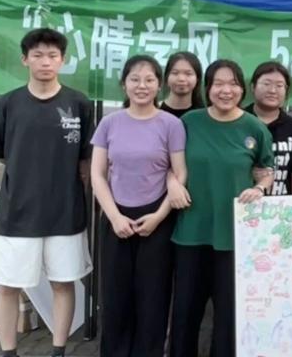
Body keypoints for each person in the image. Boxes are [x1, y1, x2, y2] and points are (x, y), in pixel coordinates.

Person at [0, 28, 94, 357]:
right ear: (25, 59)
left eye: (52, 56)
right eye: (38, 55)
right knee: (8, 285)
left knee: (63, 282)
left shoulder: (79, 103)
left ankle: (59, 349)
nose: (45, 62)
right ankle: (8, 352)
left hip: (65, 213)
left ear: (63, 60)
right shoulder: (7, 104)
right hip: (16, 214)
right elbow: (2, 154)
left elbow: (86, 160)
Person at [169, 59, 274, 357]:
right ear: (208, 88)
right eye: (218, 84)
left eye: (233, 84)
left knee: (228, 314)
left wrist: (259, 188)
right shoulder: (189, 122)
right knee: (185, 311)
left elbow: (266, 171)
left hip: (234, 236)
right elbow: (168, 162)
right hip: (191, 231)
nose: (226, 90)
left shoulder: (254, 127)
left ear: (242, 89)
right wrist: (172, 184)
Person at [89, 55, 187, 357]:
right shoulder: (109, 123)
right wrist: (114, 217)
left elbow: (179, 173)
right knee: (115, 298)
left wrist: (159, 216)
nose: (141, 85)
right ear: (124, 84)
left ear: (159, 85)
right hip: (116, 218)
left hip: (157, 220)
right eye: (134, 79)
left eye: (149, 80)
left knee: (153, 298)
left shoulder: (171, 124)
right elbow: (97, 174)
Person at [246, 61, 292, 196]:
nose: (272, 90)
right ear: (253, 87)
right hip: (242, 203)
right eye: (266, 84)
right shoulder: (238, 122)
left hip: (281, 206)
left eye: (279, 85)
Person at [161, 52, 205, 119]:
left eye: (188, 74)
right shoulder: (155, 111)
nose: (181, 79)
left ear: (197, 78)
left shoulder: (203, 115)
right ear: (167, 77)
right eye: (175, 73)